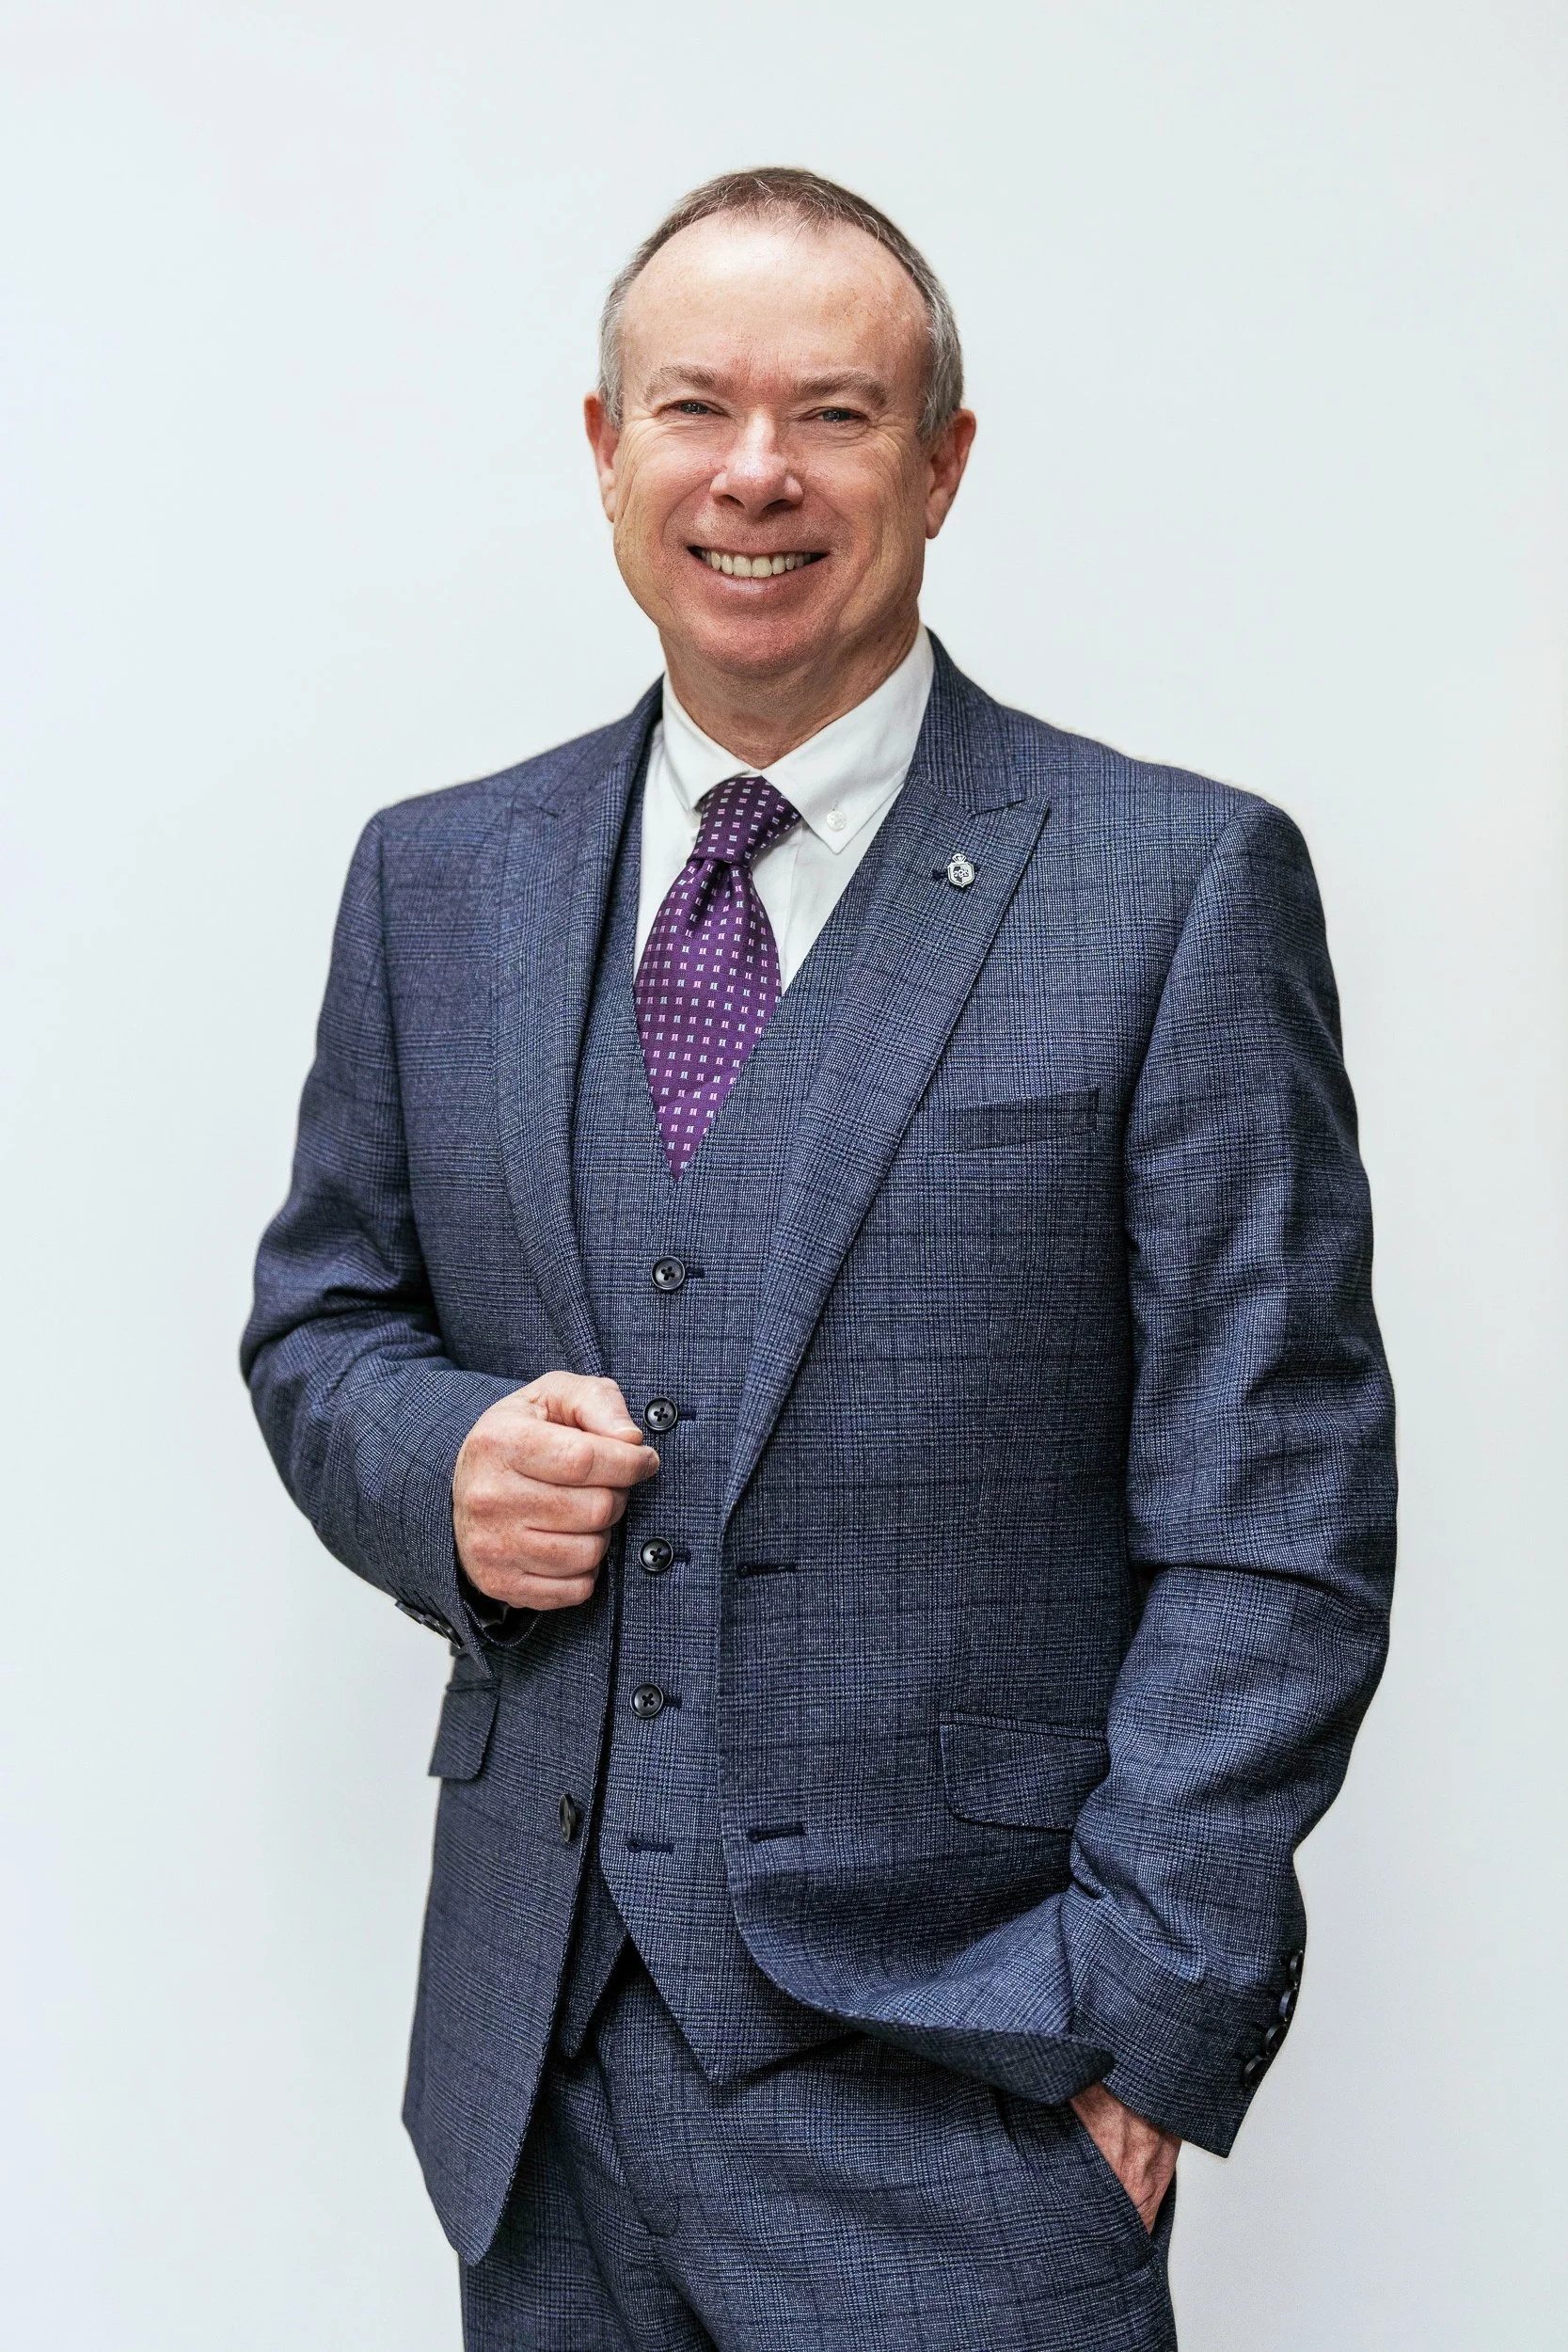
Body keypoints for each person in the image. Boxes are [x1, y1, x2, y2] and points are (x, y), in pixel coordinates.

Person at [242, 166, 1396, 2352]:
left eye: (835, 414)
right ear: (604, 450)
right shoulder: (436, 880)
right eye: (693, 407)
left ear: (942, 461)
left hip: (963, 2083)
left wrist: (1142, 2034)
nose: (752, 472)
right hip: (533, 2079)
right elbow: (323, 1322)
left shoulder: (1172, 888)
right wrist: (441, 1463)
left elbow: (1278, 1516)